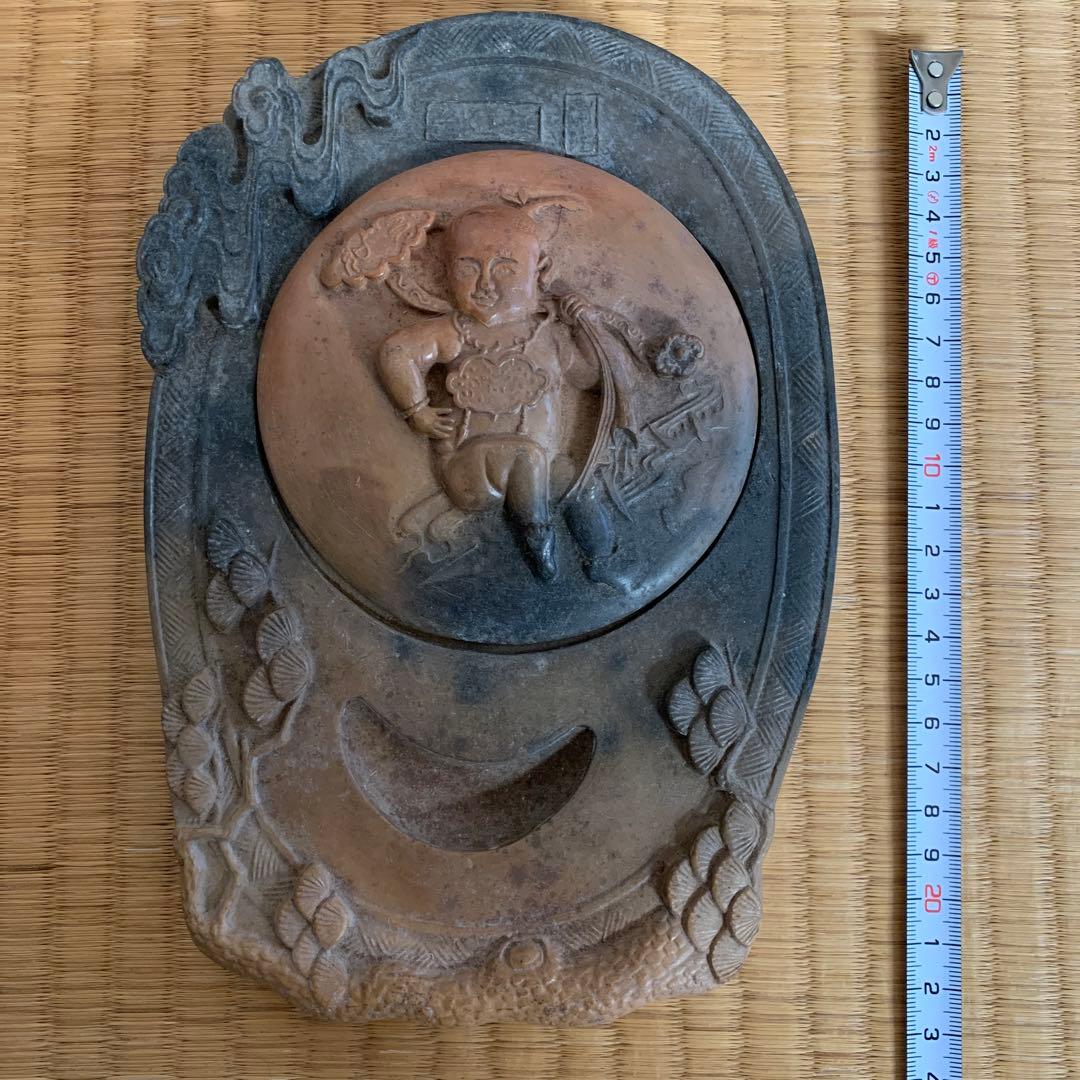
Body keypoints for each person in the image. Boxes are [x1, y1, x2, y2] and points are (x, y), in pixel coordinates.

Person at [376, 195, 630, 587]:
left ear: (539, 270)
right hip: (470, 469)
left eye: (505, 268)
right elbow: (397, 352)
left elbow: (589, 377)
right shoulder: (454, 333)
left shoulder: (549, 336)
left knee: (580, 485)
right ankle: (537, 540)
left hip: (542, 468)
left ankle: (599, 562)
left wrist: (584, 326)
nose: (484, 284)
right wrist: (417, 410)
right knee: (524, 455)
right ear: (445, 272)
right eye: (467, 268)